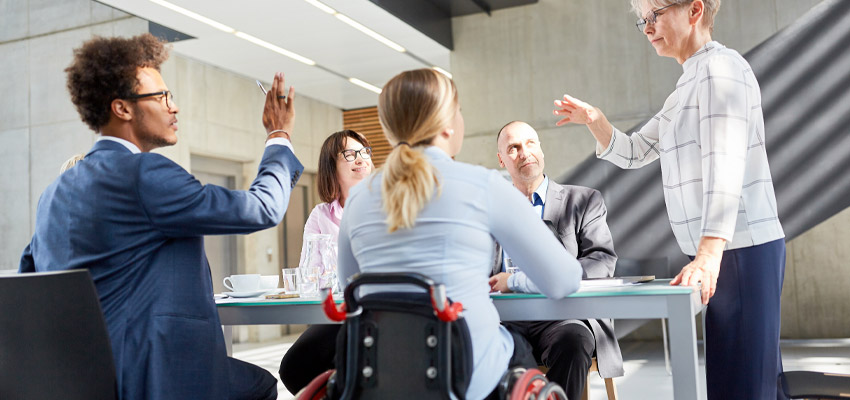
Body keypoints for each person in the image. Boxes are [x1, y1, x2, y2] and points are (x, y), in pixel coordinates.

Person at [19, 33, 303, 400]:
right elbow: (262, 208)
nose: (174, 107)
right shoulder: (144, 174)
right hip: (158, 373)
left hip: (81, 378)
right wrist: (278, 136)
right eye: (162, 97)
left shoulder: (53, 193)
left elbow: (30, 277)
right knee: (262, 386)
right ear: (122, 108)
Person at [552, 1, 786, 398]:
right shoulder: (688, 84)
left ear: (694, 10)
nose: (646, 28)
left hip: (740, 249)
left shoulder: (719, 70)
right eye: (642, 20)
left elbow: (725, 163)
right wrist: (596, 121)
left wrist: (709, 255)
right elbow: (636, 150)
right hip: (722, 251)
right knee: (741, 379)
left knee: (747, 385)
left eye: (654, 15)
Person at [337, 68, 583, 400]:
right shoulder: (484, 185)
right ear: (448, 123)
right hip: (470, 378)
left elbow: (350, 288)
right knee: (515, 346)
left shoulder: (358, 199)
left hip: (383, 375)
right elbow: (562, 280)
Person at [488, 120, 623, 400]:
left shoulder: (583, 201)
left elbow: (601, 263)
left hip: (562, 316)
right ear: (501, 159)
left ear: (541, 148)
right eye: (513, 148)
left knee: (574, 342)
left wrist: (516, 282)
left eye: (530, 143)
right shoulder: (489, 210)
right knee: (474, 346)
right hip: (504, 321)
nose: (524, 152)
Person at [278, 129, 372, 394]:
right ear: (332, 166)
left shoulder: (387, 205)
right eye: (350, 154)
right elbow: (309, 272)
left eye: (365, 152)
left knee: (355, 363)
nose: (361, 159)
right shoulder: (321, 215)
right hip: (337, 314)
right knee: (294, 368)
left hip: (378, 310)